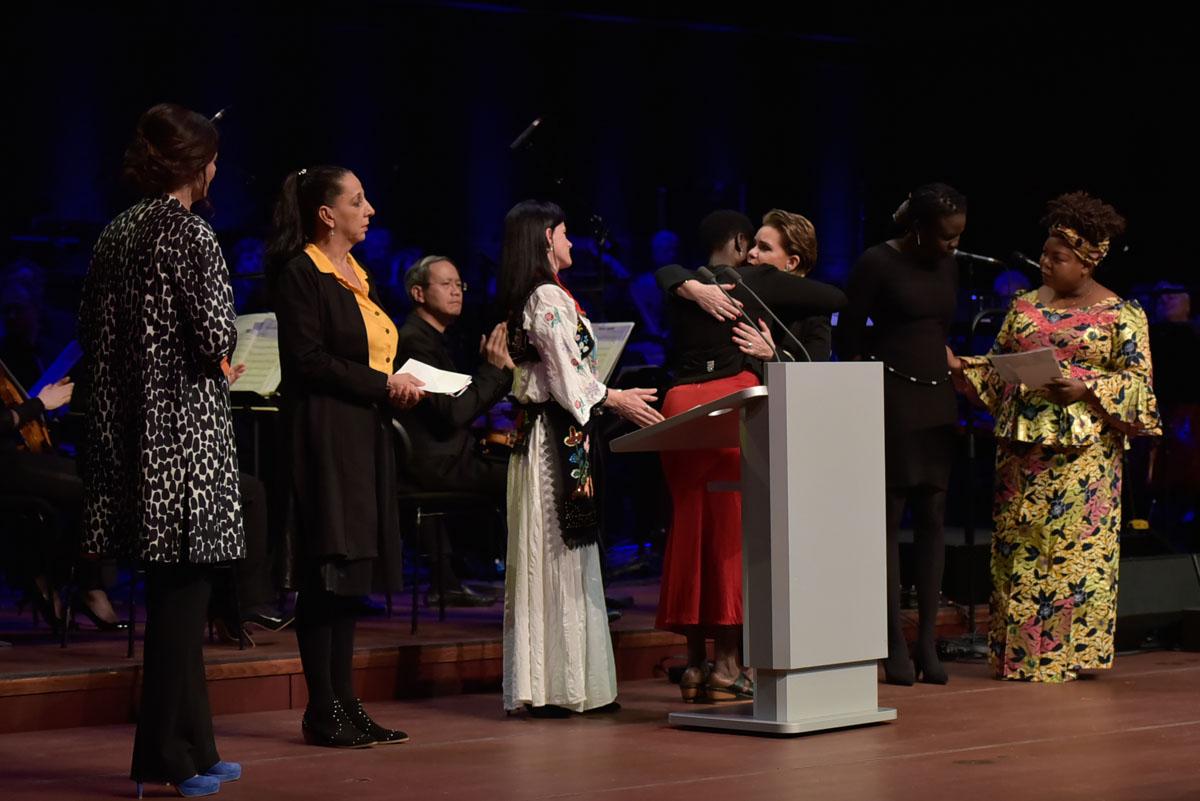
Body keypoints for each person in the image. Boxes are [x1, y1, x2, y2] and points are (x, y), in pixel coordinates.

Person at [79, 103, 244, 798]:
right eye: (210, 158)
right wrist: (225, 355)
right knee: (181, 603)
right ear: (194, 165)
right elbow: (215, 335)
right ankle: (162, 760)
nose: (215, 169)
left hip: (130, 435)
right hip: (182, 440)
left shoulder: (115, 232)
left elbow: (91, 328)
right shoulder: (191, 234)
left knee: (179, 596)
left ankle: (198, 745)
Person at [948, 191, 1160, 683]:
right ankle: (1021, 655)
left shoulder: (1121, 315)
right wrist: (965, 367)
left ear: (1087, 263)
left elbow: (1139, 386)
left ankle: (1070, 652)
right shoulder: (1023, 306)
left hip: (1084, 459)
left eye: (1057, 257)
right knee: (1019, 549)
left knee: (1073, 554)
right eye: (1044, 254)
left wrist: (1087, 389)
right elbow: (999, 366)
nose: (1044, 263)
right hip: (1022, 452)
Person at [654, 209, 847, 702]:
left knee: (699, 528)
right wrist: (689, 284)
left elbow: (816, 373)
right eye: (752, 245)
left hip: (751, 425)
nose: (753, 257)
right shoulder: (740, 286)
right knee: (716, 531)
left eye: (765, 249)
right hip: (734, 416)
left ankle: (703, 664)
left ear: (793, 260)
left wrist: (772, 355)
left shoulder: (784, 300)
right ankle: (722, 664)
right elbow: (669, 273)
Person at [266, 164, 424, 748]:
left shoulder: (357, 274)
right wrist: (382, 387)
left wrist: (397, 386)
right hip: (325, 435)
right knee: (326, 570)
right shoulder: (300, 273)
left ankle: (345, 701)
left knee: (352, 571)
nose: (371, 210)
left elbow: (370, 358)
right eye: (359, 201)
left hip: (364, 432)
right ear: (326, 214)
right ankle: (321, 707)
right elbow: (307, 358)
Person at [498, 199, 663, 717]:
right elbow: (569, 378)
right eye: (566, 233)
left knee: (566, 556)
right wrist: (617, 398)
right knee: (556, 556)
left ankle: (569, 684)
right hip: (553, 443)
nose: (572, 243)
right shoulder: (546, 295)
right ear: (546, 237)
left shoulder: (545, 294)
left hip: (557, 436)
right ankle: (558, 687)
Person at [838, 183, 967, 686]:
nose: (952, 245)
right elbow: (848, 335)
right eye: (945, 237)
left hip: (937, 398)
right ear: (917, 229)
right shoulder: (877, 262)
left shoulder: (950, 265)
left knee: (934, 514)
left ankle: (928, 642)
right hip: (890, 396)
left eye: (958, 237)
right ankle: (891, 641)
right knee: (889, 519)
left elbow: (941, 329)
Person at [396, 254, 512, 606]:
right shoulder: (414, 342)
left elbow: (460, 403)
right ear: (418, 293)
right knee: (525, 477)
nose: (456, 291)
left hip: (449, 451)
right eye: (445, 284)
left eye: (459, 284)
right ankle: (528, 583)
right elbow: (456, 413)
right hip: (433, 461)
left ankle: (468, 572)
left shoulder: (440, 339)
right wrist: (493, 371)